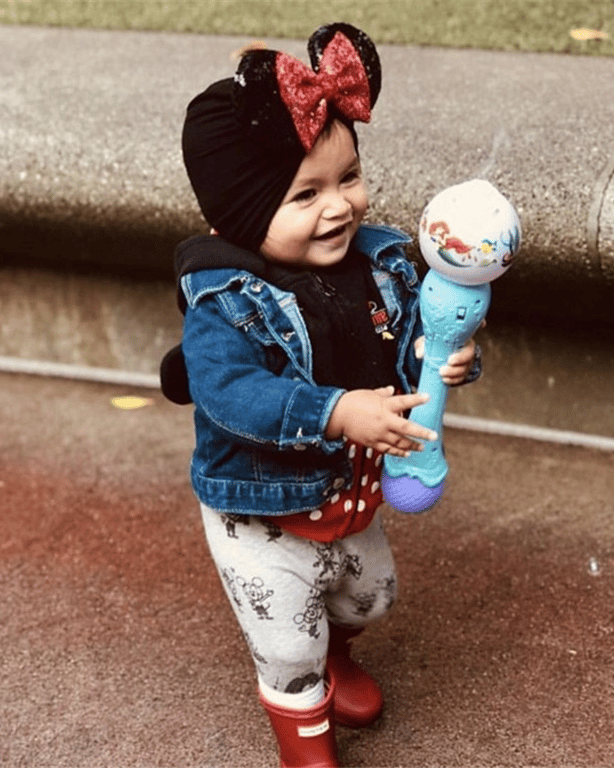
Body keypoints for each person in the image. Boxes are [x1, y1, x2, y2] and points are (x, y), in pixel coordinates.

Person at [161, 23, 482, 768]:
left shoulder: (383, 264)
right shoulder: (224, 303)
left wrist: (446, 357)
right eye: (305, 194)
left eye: (348, 178)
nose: (339, 206)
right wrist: (336, 412)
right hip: (260, 509)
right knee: (286, 646)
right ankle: (305, 737)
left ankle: (338, 657)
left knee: (371, 596)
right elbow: (230, 394)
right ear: (242, 216)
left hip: (346, 491)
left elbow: (413, 338)